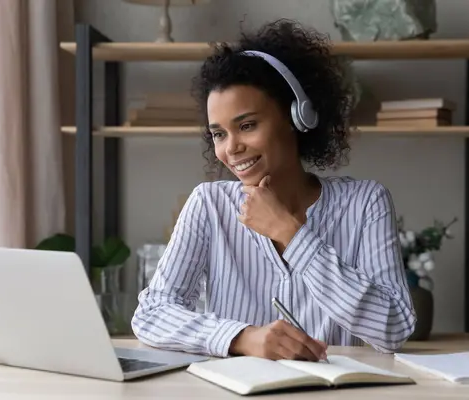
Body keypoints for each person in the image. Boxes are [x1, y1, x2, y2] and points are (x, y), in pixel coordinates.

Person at [132, 19, 416, 362]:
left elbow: (395, 328)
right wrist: (242, 337)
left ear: (298, 118)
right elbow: (151, 314)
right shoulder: (209, 205)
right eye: (219, 134)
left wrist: (291, 234)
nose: (231, 149)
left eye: (247, 125)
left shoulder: (365, 203)